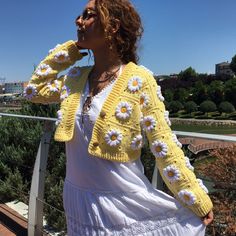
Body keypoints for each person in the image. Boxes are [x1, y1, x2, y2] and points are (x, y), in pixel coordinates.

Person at [24, 0, 214, 235]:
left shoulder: (139, 80)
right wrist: (70, 52)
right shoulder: (74, 78)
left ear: (112, 27)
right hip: (77, 198)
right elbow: (33, 90)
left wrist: (196, 197)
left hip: (124, 205)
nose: (78, 20)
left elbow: (164, 145)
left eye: (88, 15)